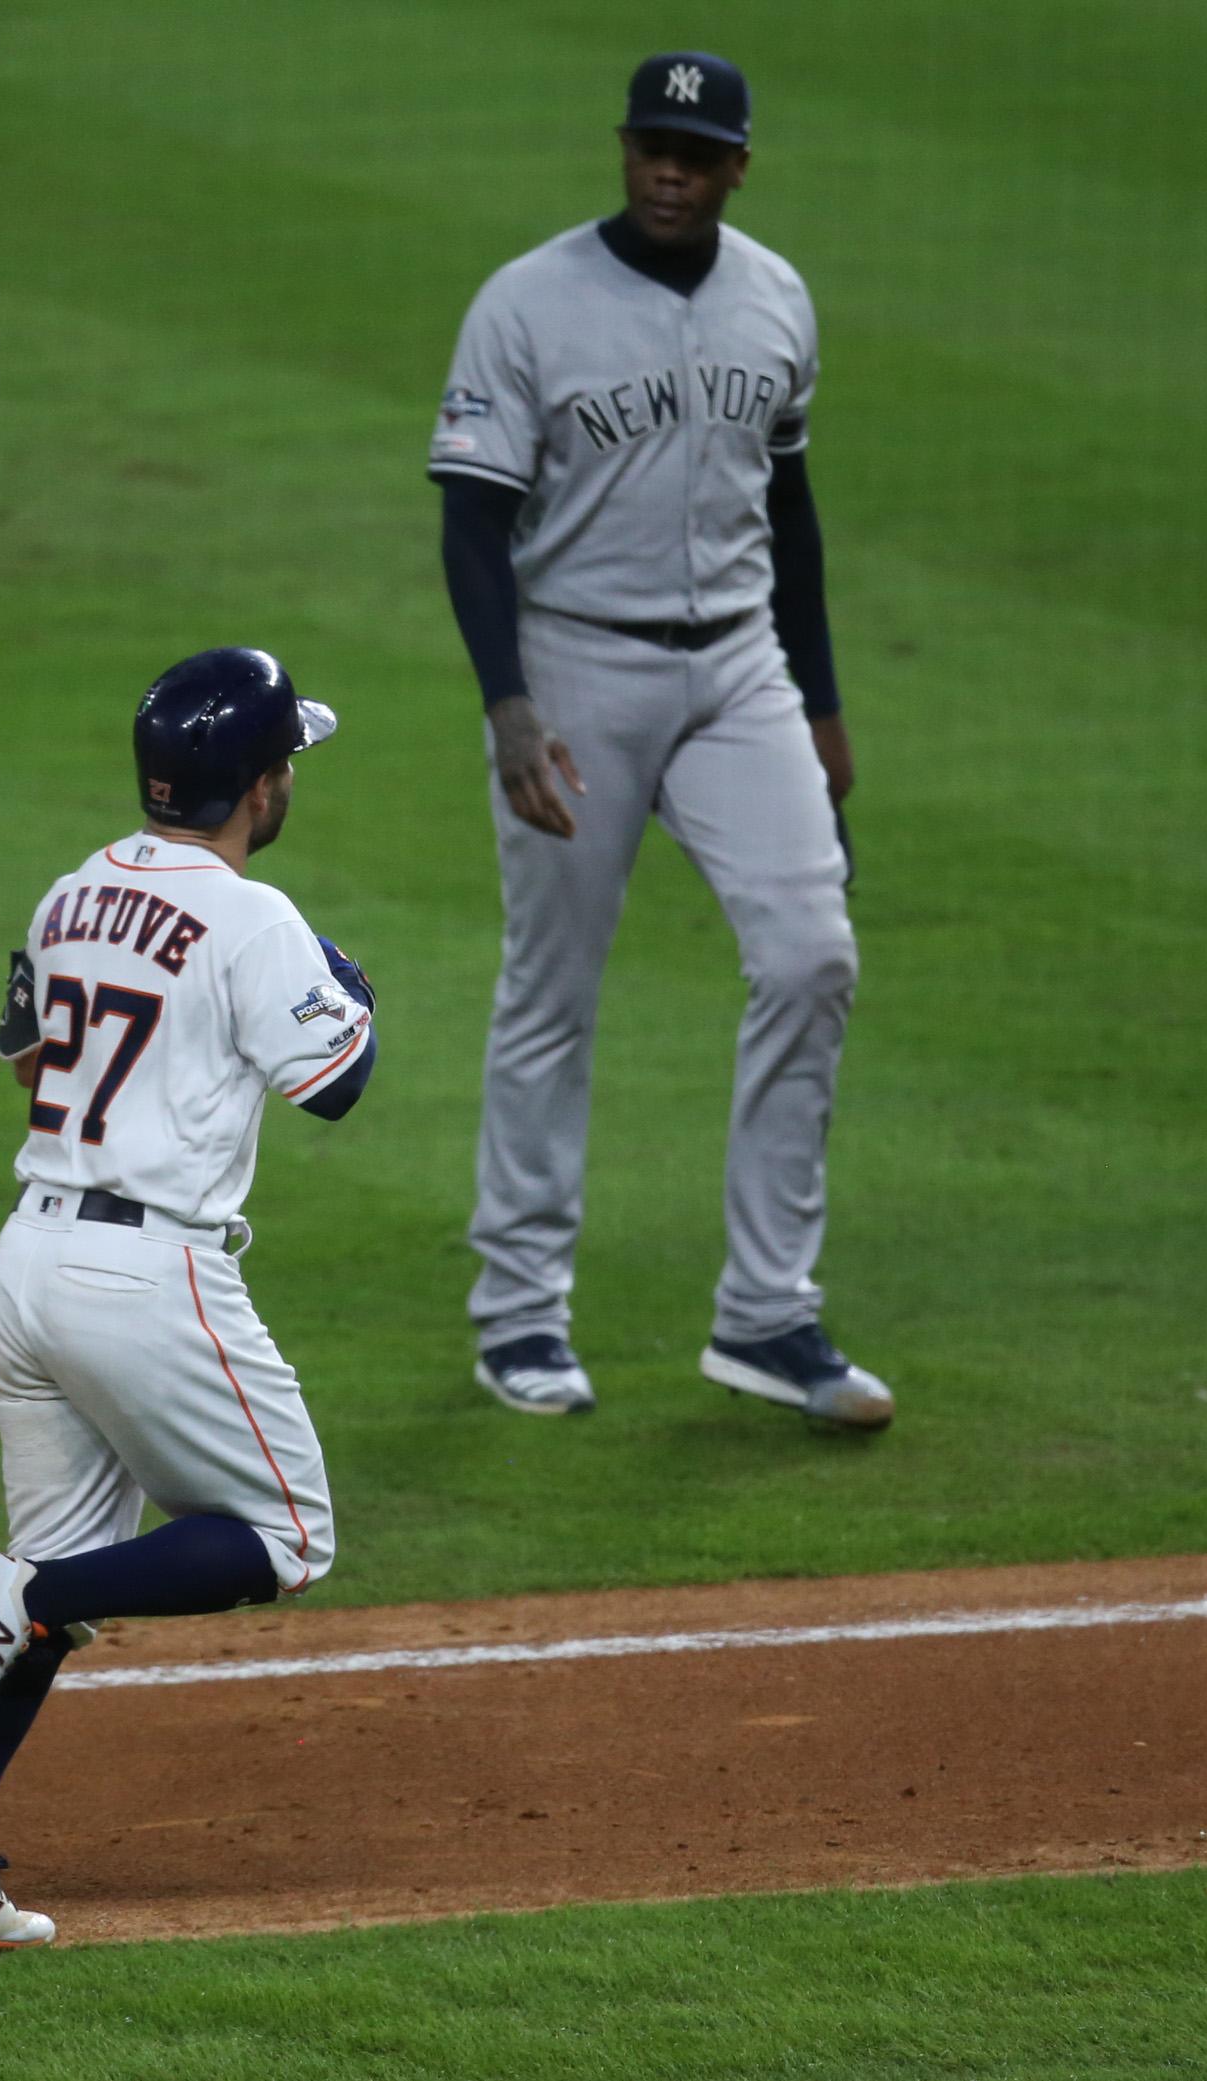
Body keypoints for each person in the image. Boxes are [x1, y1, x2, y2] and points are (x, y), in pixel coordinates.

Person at [0, 646, 378, 1949]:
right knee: (288, 1535)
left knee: (63, 1578)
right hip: (142, 1273)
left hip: (27, 1260)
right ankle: (14, 1601)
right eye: (285, 766)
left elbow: (31, 1055)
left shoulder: (69, 893)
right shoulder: (257, 919)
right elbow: (333, 1084)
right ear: (256, 788)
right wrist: (353, 989)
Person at [428, 51, 889, 1431]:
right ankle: (518, 1318)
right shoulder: (527, 304)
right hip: (575, 668)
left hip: (741, 672)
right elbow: (469, 516)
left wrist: (820, 700)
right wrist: (509, 703)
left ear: (739, 164)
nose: (670, 170)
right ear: (622, 149)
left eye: (697, 151)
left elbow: (789, 508)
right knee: (553, 988)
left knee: (813, 954)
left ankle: (767, 1316)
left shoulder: (778, 296)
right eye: (651, 146)